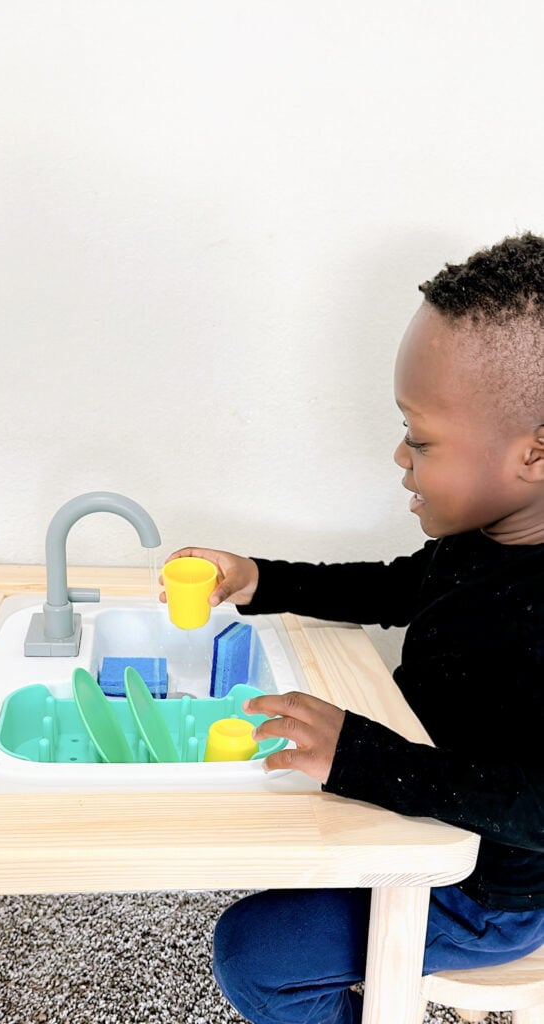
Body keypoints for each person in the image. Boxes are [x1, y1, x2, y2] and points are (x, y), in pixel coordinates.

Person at [161, 233, 544, 1024]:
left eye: (422, 437)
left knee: (256, 954)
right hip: (422, 789)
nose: (399, 456)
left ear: (533, 453)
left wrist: (366, 758)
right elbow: (398, 586)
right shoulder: (480, 539)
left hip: (490, 885)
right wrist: (262, 578)